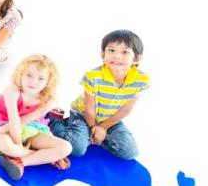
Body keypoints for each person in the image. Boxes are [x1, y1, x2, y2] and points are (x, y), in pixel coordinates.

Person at [49, 30, 150, 160]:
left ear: (136, 58)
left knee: (129, 152)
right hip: (83, 115)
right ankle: (56, 121)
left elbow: (126, 110)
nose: (117, 56)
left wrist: (102, 127)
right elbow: (89, 109)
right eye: (111, 50)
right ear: (103, 54)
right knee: (76, 148)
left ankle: (93, 137)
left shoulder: (141, 81)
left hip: (110, 119)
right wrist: (93, 128)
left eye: (125, 52)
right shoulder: (92, 76)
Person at [0, 54, 72, 180]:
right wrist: (16, 143)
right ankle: (45, 157)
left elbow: (23, 121)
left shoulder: (48, 101)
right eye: (29, 75)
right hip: (3, 125)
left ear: (48, 82)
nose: (33, 82)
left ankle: (21, 161)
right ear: (21, 74)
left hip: (29, 126)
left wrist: (19, 148)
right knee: (3, 144)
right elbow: (14, 121)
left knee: (66, 147)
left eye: (41, 78)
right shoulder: (12, 92)